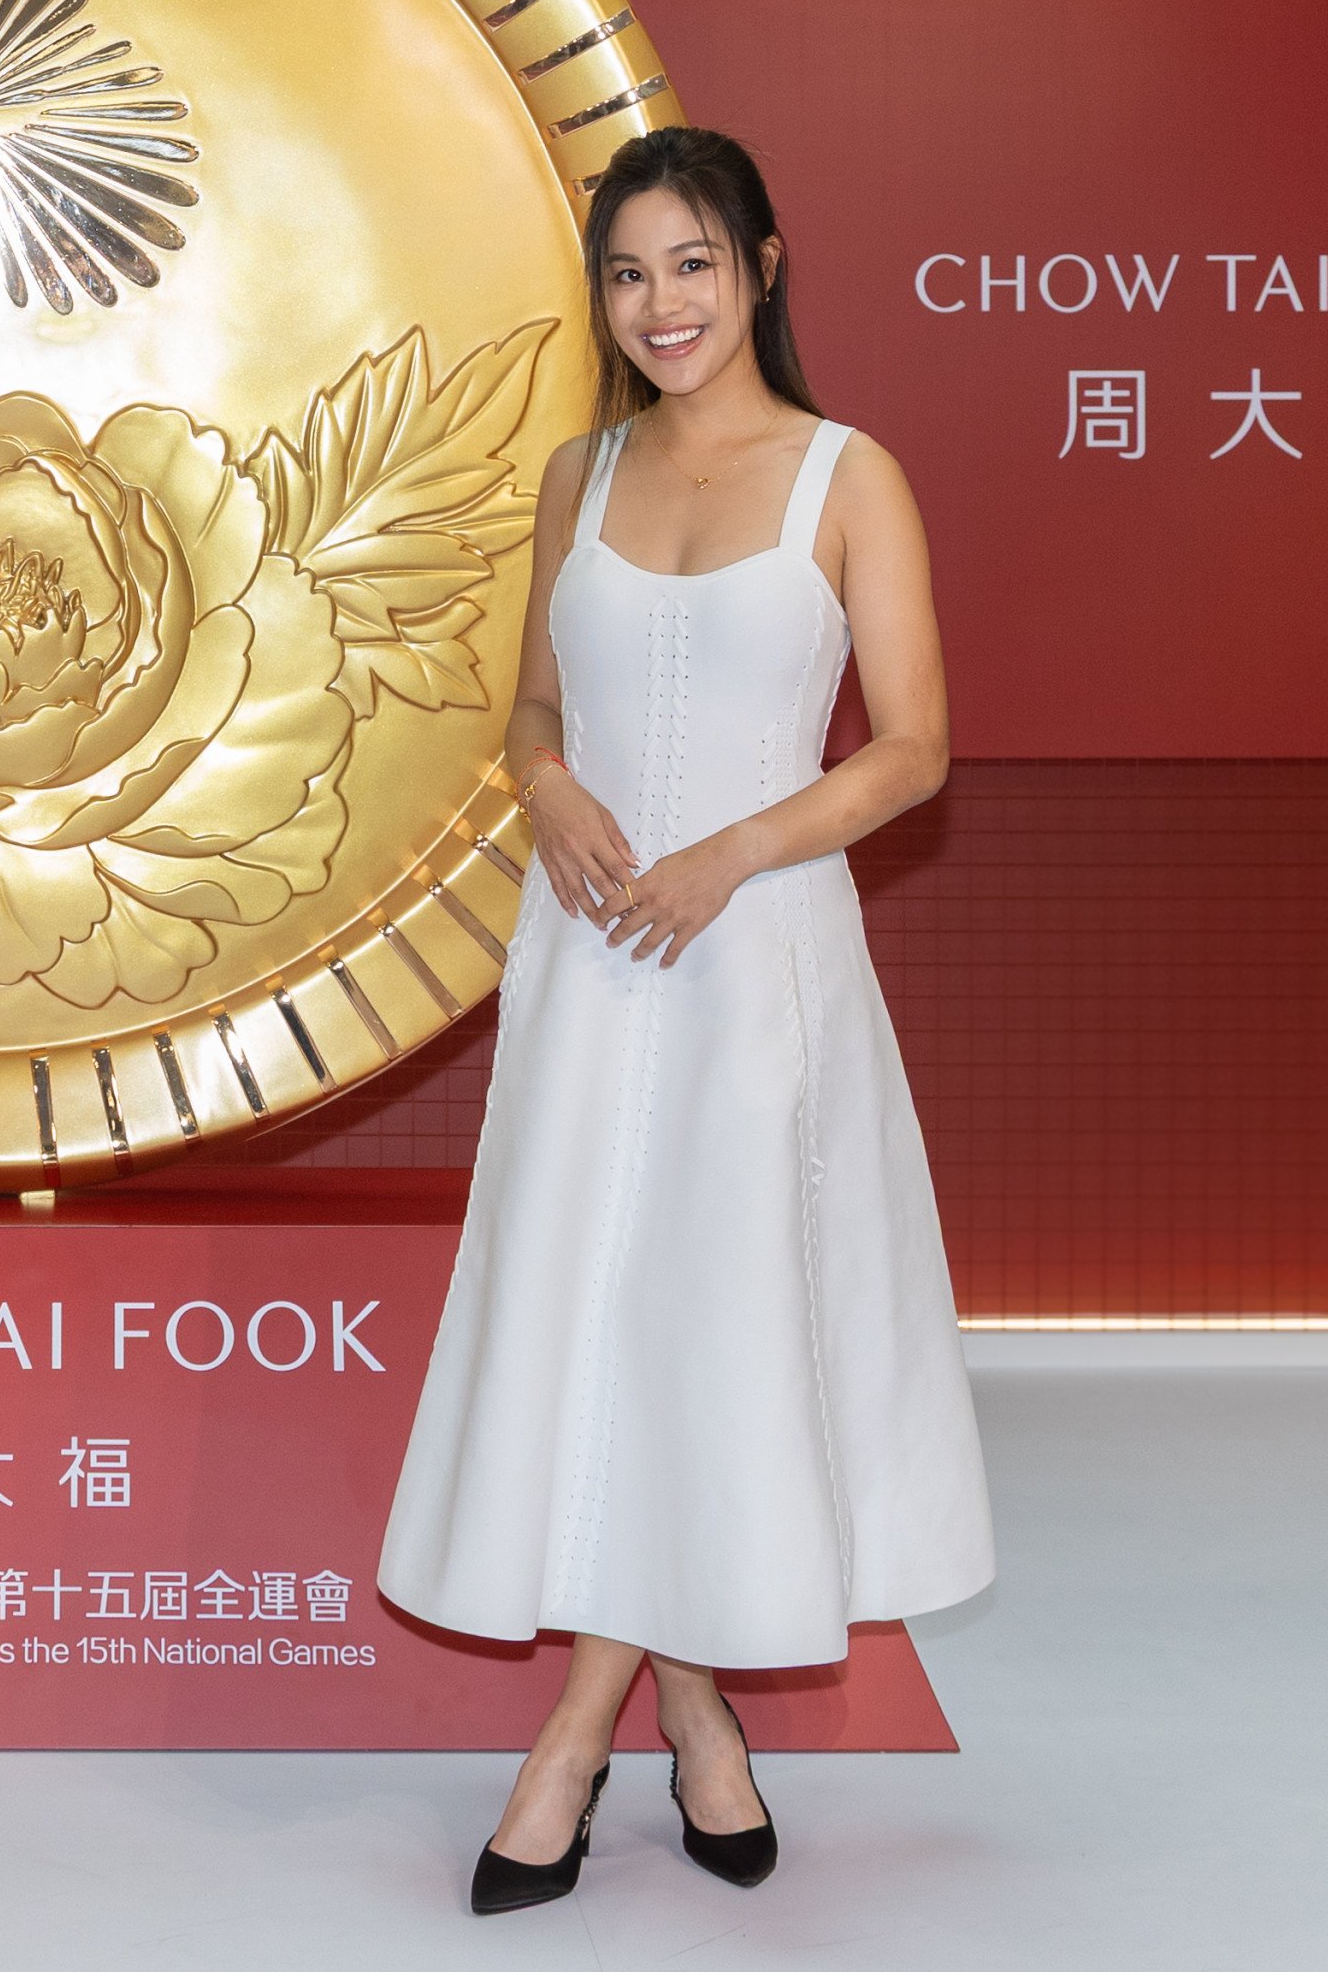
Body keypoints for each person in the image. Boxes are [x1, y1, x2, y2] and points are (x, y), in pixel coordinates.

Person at [378, 125, 993, 1914]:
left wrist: (730, 851)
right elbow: (534, 709)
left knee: (712, 1329)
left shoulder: (845, 478)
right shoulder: (580, 473)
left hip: (756, 969)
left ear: (766, 268)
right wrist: (546, 781)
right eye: (632, 272)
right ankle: (701, 1719)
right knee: (607, 1327)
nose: (664, 303)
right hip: (588, 966)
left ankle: (570, 1740)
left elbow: (914, 749)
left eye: (697, 265)